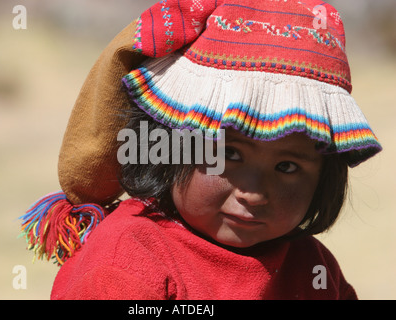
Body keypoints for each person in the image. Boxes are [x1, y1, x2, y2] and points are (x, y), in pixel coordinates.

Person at [19, 0, 382, 300]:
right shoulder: (126, 257)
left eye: (287, 167)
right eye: (229, 154)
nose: (253, 194)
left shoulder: (313, 267)